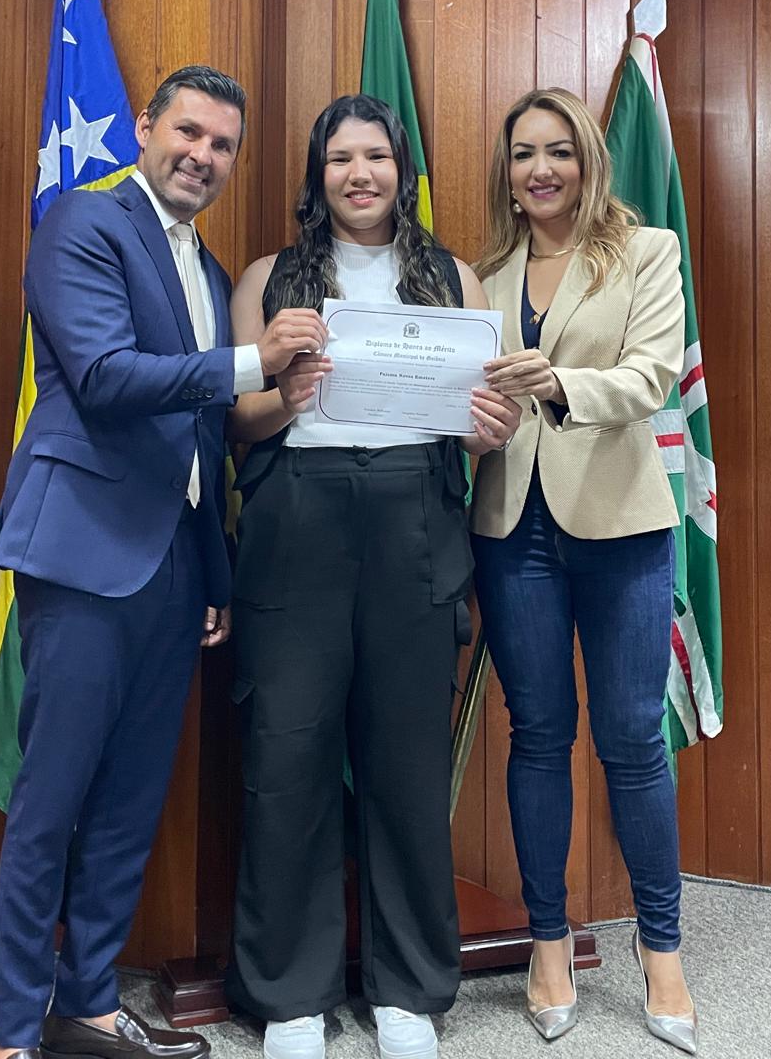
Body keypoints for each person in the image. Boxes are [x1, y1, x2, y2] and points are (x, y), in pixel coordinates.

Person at [0, 65, 326, 1059]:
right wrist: (258, 360)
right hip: (82, 556)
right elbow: (102, 376)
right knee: (52, 801)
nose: (202, 156)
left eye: (223, 145)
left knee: (132, 802)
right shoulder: (83, 223)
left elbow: (205, 436)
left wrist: (212, 578)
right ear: (145, 127)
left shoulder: (210, 273)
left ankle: (87, 1003)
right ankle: (11, 1035)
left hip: (174, 571)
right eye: (189, 132)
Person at [223, 95, 521, 1059]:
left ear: (403, 170)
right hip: (297, 523)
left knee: (406, 763)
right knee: (288, 757)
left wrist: (491, 429)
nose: (360, 174)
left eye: (378, 157)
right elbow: (236, 423)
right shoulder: (269, 277)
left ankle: (408, 990)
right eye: (341, 158)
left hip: (413, 523)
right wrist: (284, 394)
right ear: (318, 175)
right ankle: (290, 995)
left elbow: (480, 424)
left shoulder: (453, 277)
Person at [469, 88, 698, 1055]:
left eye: (559, 150)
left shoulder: (646, 250)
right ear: (507, 170)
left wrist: (559, 383)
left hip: (620, 526)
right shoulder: (482, 275)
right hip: (509, 527)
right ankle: (549, 941)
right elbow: (469, 398)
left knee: (632, 740)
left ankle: (662, 948)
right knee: (537, 736)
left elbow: (652, 377)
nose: (541, 170)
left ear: (588, 159)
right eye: (524, 153)